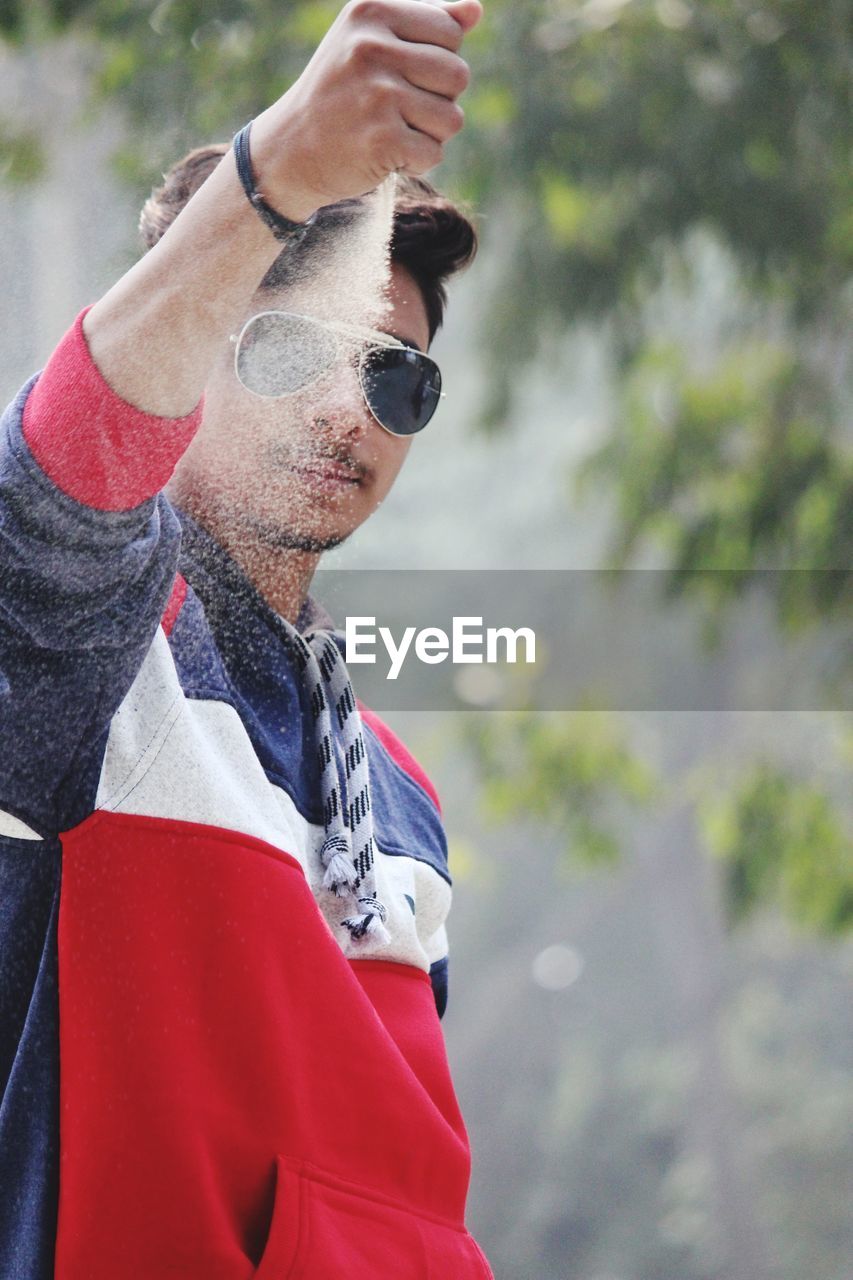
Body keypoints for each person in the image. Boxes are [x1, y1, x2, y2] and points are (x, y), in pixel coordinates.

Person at [0, 1, 494, 1276]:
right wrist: (276, 176)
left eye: (398, 376)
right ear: (195, 354)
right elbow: (54, 489)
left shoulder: (400, 792)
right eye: (295, 344)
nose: (350, 406)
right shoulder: (91, 652)